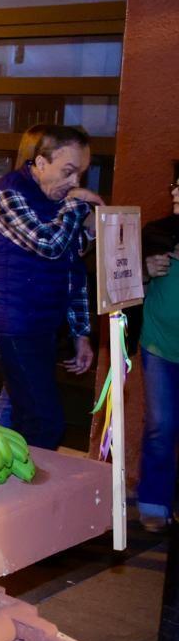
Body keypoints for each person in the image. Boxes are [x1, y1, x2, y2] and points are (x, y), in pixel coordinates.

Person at [0, 124, 101, 451]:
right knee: (44, 421)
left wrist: (81, 333)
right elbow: (47, 244)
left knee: (14, 405)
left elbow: (72, 268)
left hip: (42, 326)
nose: (75, 183)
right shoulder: (8, 194)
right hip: (13, 325)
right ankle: (29, 489)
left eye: (81, 175)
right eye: (69, 171)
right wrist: (79, 207)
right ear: (41, 162)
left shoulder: (59, 203)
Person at [136, 168, 179, 532]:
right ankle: (152, 500)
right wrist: (147, 269)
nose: (176, 192)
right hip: (160, 344)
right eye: (175, 185)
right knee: (161, 425)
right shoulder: (158, 232)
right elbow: (124, 276)